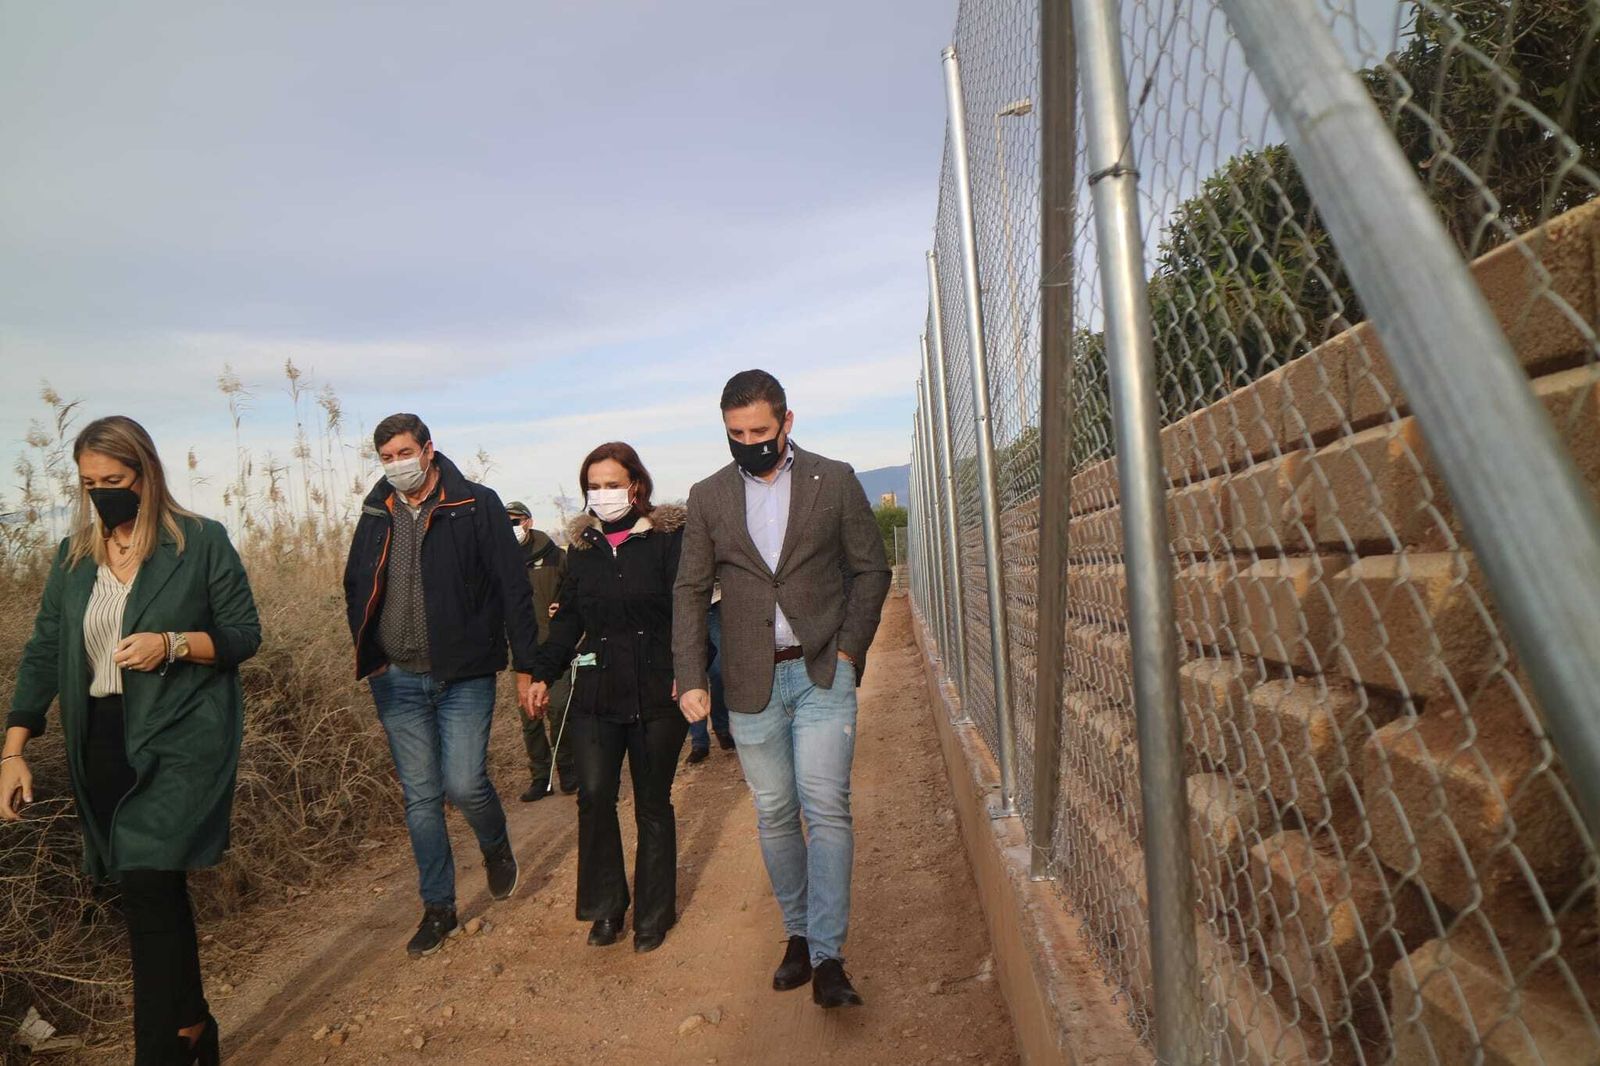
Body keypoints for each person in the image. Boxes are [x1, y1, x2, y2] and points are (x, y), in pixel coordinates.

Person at [2, 416, 261, 1066]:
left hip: (179, 737)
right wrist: (13, 748)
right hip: (103, 743)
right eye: (90, 482)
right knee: (149, 891)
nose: (101, 493)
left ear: (145, 474)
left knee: (147, 886)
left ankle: (162, 1053)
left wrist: (171, 645)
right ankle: (194, 1026)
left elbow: (242, 634)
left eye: (113, 480)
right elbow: (42, 653)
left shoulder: (199, 541)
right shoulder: (73, 558)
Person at [673, 370, 890, 1009]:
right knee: (774, 813)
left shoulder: (836, 479)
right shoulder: (708, 496)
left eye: (760, 431)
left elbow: (870, 569)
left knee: (825, 807)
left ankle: (827, 957)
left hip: (823, 668)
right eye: (736, 434)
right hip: (749, 679)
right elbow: (689, 590)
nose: (749, 443)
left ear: (787, 422)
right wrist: (689, 675)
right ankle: (795, 935)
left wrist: (849, 649)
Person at [342, 413, 540, 958]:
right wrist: (371, 653)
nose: (396, 465)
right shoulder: (374, 511)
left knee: (463, 783)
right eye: (386, 457)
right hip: (397, 679)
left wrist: (527, 666)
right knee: (422, 798)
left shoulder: (475, 503)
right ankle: (439, 908)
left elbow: (513, 588)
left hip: (464, 674)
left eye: (405, 452)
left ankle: (496, 845)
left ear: (429, 450)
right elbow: (356, 582)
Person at [525, 443, 688, 954]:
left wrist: (689, 669)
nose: (603, 494)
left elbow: (689, 610)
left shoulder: (668, 540)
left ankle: (653, 915)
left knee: (652, 803)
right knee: (595, 796)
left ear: (636, 484)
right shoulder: (583, 548)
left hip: (658, 691)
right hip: (595, 692)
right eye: (593, 485)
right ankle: (606, 907)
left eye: (612, 483)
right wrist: (541, 672)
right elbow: (569, 618)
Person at [505, 501, 577, 800]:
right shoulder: (500, 560)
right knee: (530, 716)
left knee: (560, 709)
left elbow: (574, 590)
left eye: (515, 520)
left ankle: (569, 771)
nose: (511, 526)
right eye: (504, 521)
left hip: (555, 648)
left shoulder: (556, 556)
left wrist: (563, 605)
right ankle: (541, 778)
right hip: (521, 652)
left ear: (528, 521)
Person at [685, 593, 734, 764]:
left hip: (716, 601)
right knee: (691, 675)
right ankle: (699, 741)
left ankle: (722, 727)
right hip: (688, 604)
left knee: (720, 669)